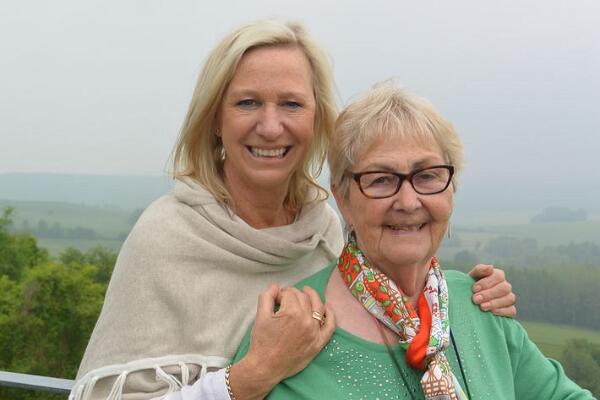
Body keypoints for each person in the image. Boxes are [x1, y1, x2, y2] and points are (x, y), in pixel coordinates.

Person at [71, 21, 516, 400]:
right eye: (247, 102)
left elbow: (385, 297)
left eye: (291, 103)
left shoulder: (323, 229)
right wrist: (251, 376)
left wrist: (464, 299)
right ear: (215, 120)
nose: (270, 126)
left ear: (316, 119)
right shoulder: (165, 237)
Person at [234, 81, 593, 399]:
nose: (408, 202)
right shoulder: (290, 331)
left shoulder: (480, 306)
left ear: (451, 189)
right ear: (343, 198)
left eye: (427, 176)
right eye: (381, 179)